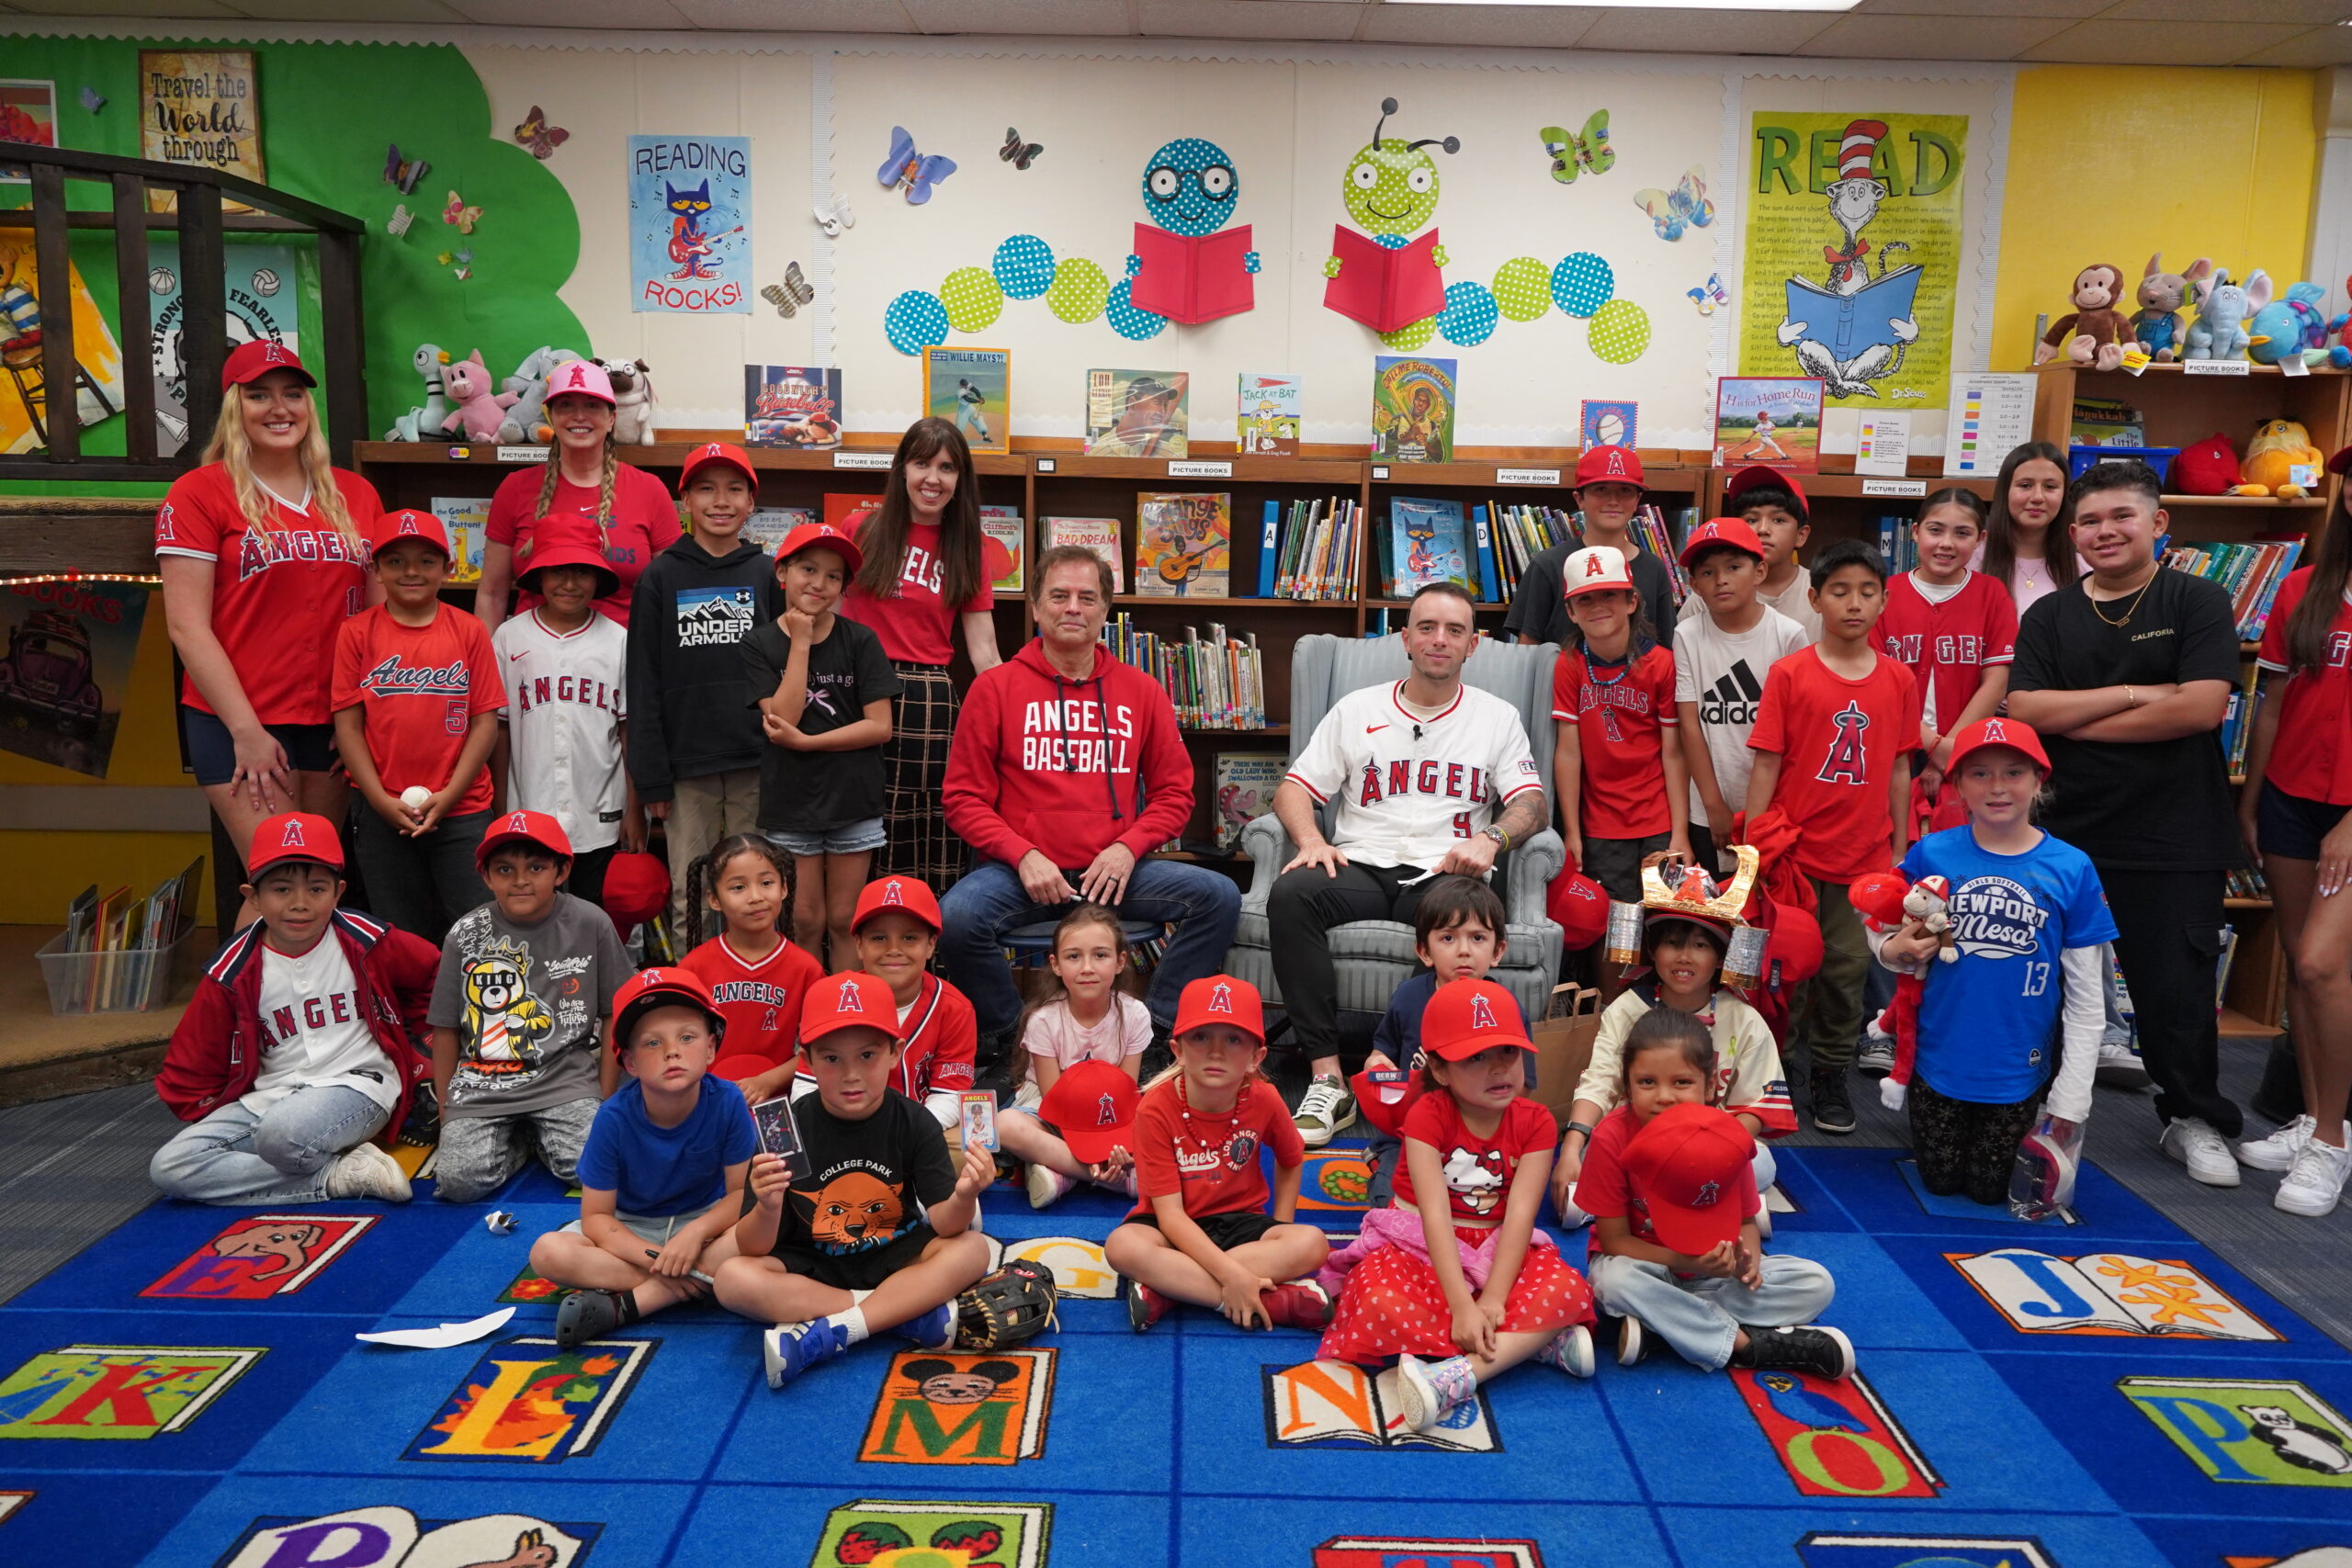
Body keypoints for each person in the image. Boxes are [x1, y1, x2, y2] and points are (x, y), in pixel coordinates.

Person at [2007, 460, 2245, 1187]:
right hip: (2066, 828)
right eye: (2090, 522)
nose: (2105, 532)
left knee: (2174, 987)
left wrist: (2081, 716)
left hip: (2175, 831)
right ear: (2072, 533)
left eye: (2122, 517)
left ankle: (2192, 1117)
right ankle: (2029, 1110)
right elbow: (2025, 712)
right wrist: (2141, 694)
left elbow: (2201, 709)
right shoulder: (2050, 615)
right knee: (2041, 982)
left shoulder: (2198, 599)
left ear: (2157, 523)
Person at [1269, 581, 1550, 1145]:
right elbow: (1293, 790)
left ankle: (1432, 1074)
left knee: (1461, 925)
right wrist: (1309, 840)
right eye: (1427, 627)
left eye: (1454, 631)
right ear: (1405, 638)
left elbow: (1532, 803)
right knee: (1290, 895)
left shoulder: (1497, 718)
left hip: (1449, 872)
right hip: (1362, 864)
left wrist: (1491, 837)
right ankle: (1328, 1079)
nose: (1439, 640)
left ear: (1474, 645)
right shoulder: (1357, 709)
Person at [939, 547, 1240, 1063]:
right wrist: (1022, 854)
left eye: (1087, 598)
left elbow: (1174, 795)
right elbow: (962, 799)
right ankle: (1017, 1038)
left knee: (1219, 896)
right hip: (1024, 873)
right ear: (1036, 607)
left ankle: (1157, 1030)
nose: (1072, 608)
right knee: (956, 918)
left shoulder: (1142, 692)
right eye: (1059, 596)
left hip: (1116, 872)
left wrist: (1128, 848)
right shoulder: (994, 689)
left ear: (1105, 612)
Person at [154, 342, 382, 925]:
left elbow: (377, 624)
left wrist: (361, 718)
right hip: (241, 721)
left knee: (317, 884)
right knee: (278, 886)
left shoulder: (355, 494)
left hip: (330, 721)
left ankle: (308, 1016)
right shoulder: (199, 492)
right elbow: (186, 625)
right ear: (236, 407)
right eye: (259, 395)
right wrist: (246, 731)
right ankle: (239, 1016)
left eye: (292, 394)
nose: (279, 408)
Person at [1317, 978, 1598, 1432]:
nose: (1499, 1069)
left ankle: (1456, 1377)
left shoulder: (1538, 1122)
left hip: (1499, 1246)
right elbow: (1434, 1217)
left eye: (1508, 1052)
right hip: (1423, 1245)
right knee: (1373, 1298)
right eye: (1475, 1057)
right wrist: (1465, 1308)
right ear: (1442, 1071)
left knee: (1570, 1289)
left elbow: (1521, 1217)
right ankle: (1531, 1344)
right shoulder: (1427, 1113)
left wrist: (1491, 1299)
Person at [714, 970, 997, 1389]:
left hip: (895, 1254)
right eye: (832, 1058)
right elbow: (754, 1246)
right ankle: (898, 1315)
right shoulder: (782, 1126)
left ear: (894, 1053)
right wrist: (769, 1205)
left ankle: (838, 1330)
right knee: (732, 1279)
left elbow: (946, 1224)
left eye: (867, 1055)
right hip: (811, 1267)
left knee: (975, 1247)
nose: (851, 1074)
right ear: (806, 1060)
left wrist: (967, 1193)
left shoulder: (914, 1121)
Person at [1878, 718, 2112, 1206]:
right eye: (1979, 774)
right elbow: (1878, 915)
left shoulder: (2072, 867)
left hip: (2018, 1065)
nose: (1998, 787)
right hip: (1937, 1058)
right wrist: (1888, 949)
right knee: (1939, 1182)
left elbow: (2088, 1000)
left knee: (1990, 1190)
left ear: (2039, 780)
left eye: (2013, 772)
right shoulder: (1933, 852)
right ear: (1957, 784)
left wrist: (2071, 1098)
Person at [151, 812, 431, 1206]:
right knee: (171, 1166)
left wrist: (419, 1040)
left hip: (358, 1084)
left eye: (316, 889)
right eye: (282, 890)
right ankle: (338, 1175)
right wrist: (216, 1103)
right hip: (272, 1096)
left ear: (338, 892)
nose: (299, 905)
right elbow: (189, 1065)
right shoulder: (232, 970)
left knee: (282, 1135)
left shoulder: (367, 940)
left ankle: (297, 1160)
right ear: (252, 897)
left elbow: (437, 975)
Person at [1745, 538, 1920, 1135]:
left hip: (1863, 860)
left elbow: (1900, 766)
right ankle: (1780, 1073)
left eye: (1867, 591)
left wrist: (1899, 850)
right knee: (1785, 971)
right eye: (1840, 591)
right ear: (1815, 599)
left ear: (1884, 601)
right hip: (1791, 856)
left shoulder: (1898, 679)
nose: (1854, 603)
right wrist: (1753, 845)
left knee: (1846, 973)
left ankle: (1829, 1072)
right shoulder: (1789, 673)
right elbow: (1766, 762)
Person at [1580, 1010, 1850, 1379]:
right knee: (1611, 1282)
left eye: (1681, 1082)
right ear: (1626, 1086)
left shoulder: (1726, 1137)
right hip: (1646, 1267)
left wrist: (1747, 1263)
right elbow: (1613, 1242)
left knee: (1816, 1282)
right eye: (1646, 1082)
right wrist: (1685, 1262)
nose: (1663, 1097)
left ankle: (1665, 1327)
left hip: (1713, 1276)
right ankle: (1744, 1344)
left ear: (1709, 1087)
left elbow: (1744, 1221)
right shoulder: (1611, 1137)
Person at [2235, 462, 2352, 1216]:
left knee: (2318, 965)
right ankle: (2312, 1117)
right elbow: (2273, 701)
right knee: (2296, 961)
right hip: (2289, 800)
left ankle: (2333, 1144)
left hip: (2350, 813)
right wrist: (2250, 801)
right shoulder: (2302, 586)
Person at [532, 967, 756, 1346]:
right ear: (631, 1063)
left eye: (687, 1037)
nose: (672, 1051)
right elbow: (597, 1217)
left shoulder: (730, 1101)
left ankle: (636, 1303)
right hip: (632, 1228)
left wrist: (697, 1234)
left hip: (705, 1225)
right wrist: (657, 1260)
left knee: (768, 1224)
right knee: (548, 1252)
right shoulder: (613, 1118)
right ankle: (691, 1285)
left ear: (711, 1048)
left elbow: (740, 1197)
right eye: (652, 1043)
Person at [1554, 873, 1794, 1224]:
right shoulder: (1626, 1009)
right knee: (1579, 1187)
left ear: (1720, 956)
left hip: (1713, 1146)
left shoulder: (1745, 1019)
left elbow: (1757, 1106)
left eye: (1700, 945)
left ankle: (1657, 1203)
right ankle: (1719, 1205)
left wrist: (1713, 1153)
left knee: (1759, 1162)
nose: (1684, 957)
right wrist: (1571, 1148)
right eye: (1672, 942)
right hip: (1634, 1140)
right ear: (1652, 950)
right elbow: (1600, 1079)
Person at [1104, 976, 1334, 1332]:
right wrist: (1232, 1277)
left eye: (1232, 1039)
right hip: (1169, 1225)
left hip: (1240, 1220)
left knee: (1312, 1243)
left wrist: (1281, 1225)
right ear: (1177, 1050)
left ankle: (1173, 1289)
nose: (1216, 1052)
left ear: (1256, 1057)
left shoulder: (1266, 1099)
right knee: (1122, 1247)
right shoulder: (1155, 1108)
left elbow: (1291, 1158)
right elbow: (1171, 1217)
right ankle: (1262, 1299)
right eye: (1200, 1037)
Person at [427, 810, 634, 1202]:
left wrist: (606, 1101)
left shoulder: (592, 922)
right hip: (481, 1083)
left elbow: (615, 1015)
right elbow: (445, 1029)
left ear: (561, 871)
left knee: (594, 1169)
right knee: (457, 1182)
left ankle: (544, 1140)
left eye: (536, 867)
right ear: (486, 876)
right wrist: (446, 1110)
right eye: (504, 869)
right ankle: (522, 1143)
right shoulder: (466, 933)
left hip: (564, 1079)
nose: (520, 880)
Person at [840, 417, 1005, 890]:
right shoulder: (860, 529)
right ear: (901, 469)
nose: (933, 478)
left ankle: (931, 953)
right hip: (855, 687)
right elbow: (826, 617)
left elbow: (984, 651)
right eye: (922, 463)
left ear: (960, 480)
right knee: (859, 824)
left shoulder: (969, 546)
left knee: (930, 828)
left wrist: (1011, 716)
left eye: (947, 467)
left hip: (927, 698)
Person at [628, 442, 780, 934]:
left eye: (735, 489)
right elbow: (643, 681)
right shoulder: (660, 576)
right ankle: (694, 1004)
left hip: (756, 762)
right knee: (689, 894)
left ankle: (752, 997)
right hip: (685, 768)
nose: (721, 500)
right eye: (707, 489)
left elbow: (787, 669)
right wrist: (651, 777)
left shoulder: (767, 574)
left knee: (756, 892)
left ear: (751, 503)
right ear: (685, 501)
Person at [332, 510, 503, 943]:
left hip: (462, 808)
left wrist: (448, 798)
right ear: (376, 569)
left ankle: (477, 1011)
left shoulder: (469, 631)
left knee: (475, 929)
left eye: (426, 561)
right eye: (396, 561)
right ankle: (411, 1014)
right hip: (381, 809)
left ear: (448, 568)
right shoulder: (356, 633)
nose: (411, 571)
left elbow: (484, 723)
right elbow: (348, 727)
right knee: (399, 933)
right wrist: (380, 801)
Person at [745, 521, 900, 968]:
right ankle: (810, 1022)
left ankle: (847, 1015)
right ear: (782, 573)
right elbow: (784, 717)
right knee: (804, 921)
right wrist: (800, 644)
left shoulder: (861, 640)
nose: (820, 583)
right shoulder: (760, 643)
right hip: (792, 803)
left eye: (833, 576)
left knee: (845, 919)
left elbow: (879, 727)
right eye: (808, 570)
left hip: (853, 798)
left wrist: (809, 743)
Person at [477, 358, 682, 634]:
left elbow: (672, 593)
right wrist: (484, 667)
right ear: (551, 417)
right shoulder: (516, 487)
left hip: (623, 662)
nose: (579, 416)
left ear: (611, 418)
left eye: (592, 406)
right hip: (531, 661)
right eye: (566, 406)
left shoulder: (650, 489)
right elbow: (492, 594)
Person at [492, 519, 634, 912]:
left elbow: (628, 731)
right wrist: (501, 804)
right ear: (539, 575)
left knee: (597, 910)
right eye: (558, 570)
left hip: (601, 803)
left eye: (583, 571)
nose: (570, 583)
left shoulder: (618, 639)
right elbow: (499, 729)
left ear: (598, 578)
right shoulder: (509, 636)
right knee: (532, 911)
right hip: (530, 799)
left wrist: (634, 810)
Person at [1354, 875, 1514, 1207]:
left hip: (1478, 1136)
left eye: (1478, 937)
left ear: (1498, 950)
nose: (1464, 950)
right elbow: (1382, 1052)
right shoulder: (1409, 996)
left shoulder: (1504, 1008)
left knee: (1485, 1205)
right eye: (1447, 937)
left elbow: (1523, 1084)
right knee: (1389, 1200)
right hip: (1410, 1133)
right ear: (1425, 952)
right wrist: (1377, 1064)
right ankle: (1380, 1158)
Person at [1873, 489, 2017, 830]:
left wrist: (1950, 752)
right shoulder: (1883, 594)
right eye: (1935, 530)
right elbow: (1880, 686)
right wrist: (1936, 747)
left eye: (1962, 533)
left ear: (1981, 539)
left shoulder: (1991, 593)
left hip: (1970, 751)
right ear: (1915, 532)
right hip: (1896, 751)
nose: (1947, 543)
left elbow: (1996, 681)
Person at [1552, 544, 1688, 903]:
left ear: (1631, 602)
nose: (1598, 606)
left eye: (1610, 594)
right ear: (1571, 611)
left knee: (1663, 919)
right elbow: (1568, 753)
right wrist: (1572, 831)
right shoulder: (1569, 664)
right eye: (1585, 599)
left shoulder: (1662, 664)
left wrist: (1680, 832)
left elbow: (1674, 755)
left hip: (1658, 821)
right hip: (1601, 825)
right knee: (1611, 928)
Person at [1674, 519, 1810, 875]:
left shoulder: (1789, 634)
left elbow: (1797, 733)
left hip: (1775, 806)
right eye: (1707, 572)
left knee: (1767, 907)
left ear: (1759, 571)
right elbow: (1690, 725)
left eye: (1734, 567)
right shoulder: (1687, 634)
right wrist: (1713, 804)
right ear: (1694, 586)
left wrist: (1764, 813)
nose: (1721, 579)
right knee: (1713, 913)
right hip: (1708, 805)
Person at [995, 902, 1152, 1207]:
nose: (1087, 968)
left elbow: (1125, 1092)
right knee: (1005, 1125)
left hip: (1110, 1112)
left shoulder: (1135, 1015)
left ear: (1120, 962)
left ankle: (1060, 1172)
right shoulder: (1044, 1019)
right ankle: (1105, 1177)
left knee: (1167, 1125)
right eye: (1073, 957)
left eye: (1100, 955)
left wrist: (1115, 1143)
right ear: (1055, 964)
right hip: (1052, 1108)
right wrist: (1095, 1157)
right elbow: (1055, 1099)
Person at [795, 874, 976, 1126]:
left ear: (931, 944)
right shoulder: (832, 995)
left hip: (921, 1131)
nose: (894, 949)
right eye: (878, 938)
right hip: (841, 1128)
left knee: (968, 1153)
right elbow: (806, 1086)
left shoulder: (954, 1007)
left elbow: (950, 1095)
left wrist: (904, 1138)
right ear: (858, 945)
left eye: (910, 938)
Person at [679, 833, 823, 1106]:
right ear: (714, 899)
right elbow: (678, 1044)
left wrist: (769, 1081)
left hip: (782, 1102)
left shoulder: (805, 969)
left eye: (766, 883)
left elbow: (821, 1050)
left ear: (783, 888)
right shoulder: (694, 968)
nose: (756, 897)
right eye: (738, 888)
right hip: (707, 1101)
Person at [1501, 445, 1676, 647]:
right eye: (1601, 489)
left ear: (1637, 499)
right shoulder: (1547, 565)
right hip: (1558, 677)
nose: (1613, 500)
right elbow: (1528, 647)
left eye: (1625, 490)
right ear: (1580, 499)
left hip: (1638, 677)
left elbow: (1666, 647)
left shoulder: (1654, 569)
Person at [1684, 465, 1819, 642]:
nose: (1763, 530)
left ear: (1801, 535)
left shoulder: (1821, 591)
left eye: (1778, 520)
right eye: (1752, 520)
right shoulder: (1710, 592)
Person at [1976, 441, 2075, 619]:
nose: (2037, 497)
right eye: (2025, 485)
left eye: (2050, 487)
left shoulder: (2084, 566)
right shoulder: (1972, 560)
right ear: (2005, 491)